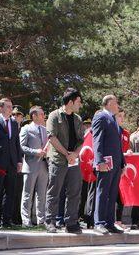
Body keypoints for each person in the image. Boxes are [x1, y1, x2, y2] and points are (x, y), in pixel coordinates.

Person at [45, 88, 84, 234]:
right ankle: (50, 222)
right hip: (58, 160)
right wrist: (66, 154)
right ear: (70, 102)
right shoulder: (54, 116)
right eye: (78, 102)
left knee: (74, 192)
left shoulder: (78, 119)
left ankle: (71, 223)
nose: (80, 105)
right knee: (54, 192)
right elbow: (51, 137)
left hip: (73, 160)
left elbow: (82, 140)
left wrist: (74, 154)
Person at [92, 95, 125, 235]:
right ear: (110, 103)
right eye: (116, 102)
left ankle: (109, 223)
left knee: (112, 194)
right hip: (105, 162)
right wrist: (99, 161)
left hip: (116, 163)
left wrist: (123, 163)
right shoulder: (101, 117)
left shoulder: (113, 119)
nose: (118, 105)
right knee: (102, 192)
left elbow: (118, 144)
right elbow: (97, 140)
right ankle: (99, 222)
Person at [0, 97, 23, 228]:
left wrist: (19, 161)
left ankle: (6, 220)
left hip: (12, 162)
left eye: (11, 106)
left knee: (10, 192)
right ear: (0, 108)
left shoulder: (14, 123)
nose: (11, 109)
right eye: (8, 106)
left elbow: (16, 143)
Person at [19, 106, 49, 228]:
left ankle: (40, 220)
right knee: (28, 194)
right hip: (30, 165)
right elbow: (22, 147)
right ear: (34, 116)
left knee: (42, 194)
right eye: (41, 114)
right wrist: (35, 151)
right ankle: (26, 220)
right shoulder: (26, 129)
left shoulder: (45, 130)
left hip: (43, 165)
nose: (43, 116)